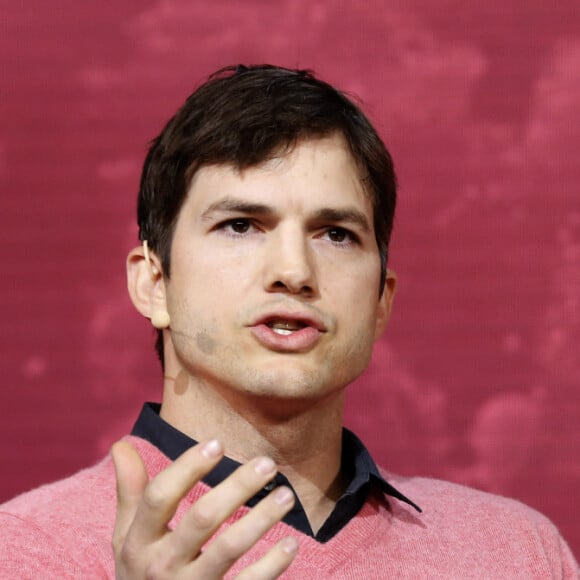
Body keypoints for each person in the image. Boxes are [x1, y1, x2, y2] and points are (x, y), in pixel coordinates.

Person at [0, 64, 577, 579]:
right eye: (242, 225)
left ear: (381, 302)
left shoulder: (518, 551)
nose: (294, 272)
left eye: (336, 234)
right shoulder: (25, 552)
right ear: (153, 283)